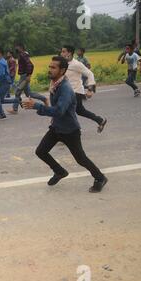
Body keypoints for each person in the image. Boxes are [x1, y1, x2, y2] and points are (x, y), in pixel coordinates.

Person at [22, 56, 108, 193]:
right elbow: (54, 108)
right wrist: (42, 106)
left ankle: (100, 178)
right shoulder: (55, 83)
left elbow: (59, 111)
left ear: (62, 70)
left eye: (53, 67)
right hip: (56, 128)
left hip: (70, 131)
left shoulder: (65, 89)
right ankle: (59, 171)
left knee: (81, 159)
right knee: (41, 151)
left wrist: (37, 106)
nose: (49, 69)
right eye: (49, 66)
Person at [61, 45, 107, 133]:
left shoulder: (76, 64)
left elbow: (90, 74)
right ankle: (100, 120)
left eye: (63, 51)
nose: (61, 53)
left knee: (66, 111)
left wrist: (90, 89)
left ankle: (73, 130)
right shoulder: (63, 64)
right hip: (67, 92)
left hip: (76, 92)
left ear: (69, 53)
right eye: (61, 51)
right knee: (80, 111)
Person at [5, 44, 48, 115]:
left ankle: (15, 109)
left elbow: (30, 65)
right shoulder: (22, 54)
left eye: (17, 47)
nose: (16, 49)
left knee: (17, 92)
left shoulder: (23, 55)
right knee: (29, 93)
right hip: (23, 76)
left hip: (24, 76)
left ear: (21, 48)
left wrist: (29, 76)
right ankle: (44, 99)